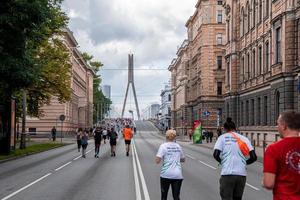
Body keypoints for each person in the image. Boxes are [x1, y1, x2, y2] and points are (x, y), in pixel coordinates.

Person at [213, 117, 257, 200]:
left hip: (227, 174)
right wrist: (245, 163)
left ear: (225, 129)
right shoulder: (244, 139)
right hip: (241, 175)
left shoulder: (222, 138)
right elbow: (254, 157)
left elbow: (215, 154)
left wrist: (222, 162)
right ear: (235, 128)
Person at [262, 111, 300, 200]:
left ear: (284, 126)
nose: (277, 127)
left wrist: (263, 181)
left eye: (278, 124)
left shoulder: (273, 149)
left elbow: (268, 183)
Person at [155, 129, 185, 200]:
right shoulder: (178, 146)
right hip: (177, 175)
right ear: (175, 137)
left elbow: (157, 161)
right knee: (176, 197)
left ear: (166, 136)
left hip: (166, 174)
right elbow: (183, 159)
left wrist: (165, 158)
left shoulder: (163, 146)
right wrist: (176, 158)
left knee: (164, 196)